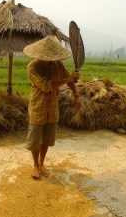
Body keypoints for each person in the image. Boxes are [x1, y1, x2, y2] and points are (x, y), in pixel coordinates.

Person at [23, 36, 81, 179]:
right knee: (35, 139)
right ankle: (35, 165)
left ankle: (42, 164)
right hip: (38, 107)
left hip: (52, 107)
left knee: (47, 139)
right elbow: (46, 85)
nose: (52, 59)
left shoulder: (58, 65)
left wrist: (76, 95)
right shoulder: (32, 67)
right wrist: (69, 79)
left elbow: (69, 80)